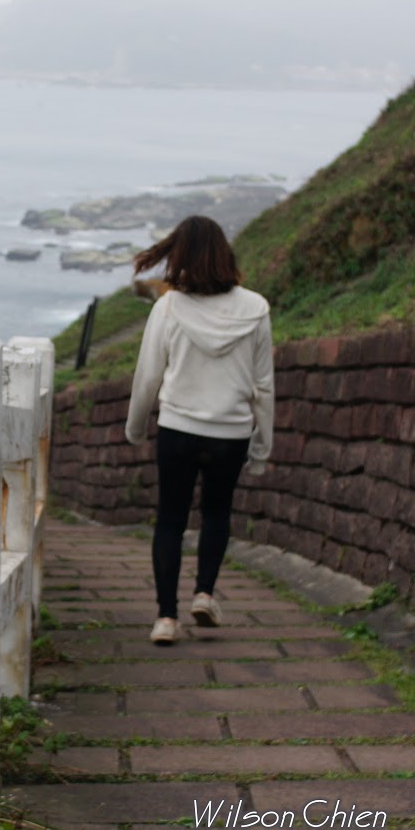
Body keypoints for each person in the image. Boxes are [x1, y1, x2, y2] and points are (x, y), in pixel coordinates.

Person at [123, 215, 274, 646]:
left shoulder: (169, 307)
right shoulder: (256, 309)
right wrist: (262, 447)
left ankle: (166, 618)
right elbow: (263, 385)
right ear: (224, 252)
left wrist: (136, 428)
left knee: (170, 519)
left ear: (180, 254)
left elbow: (148, 376)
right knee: (217, 512)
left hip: (179, 428)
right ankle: (205, 594)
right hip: (231, 431)